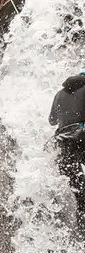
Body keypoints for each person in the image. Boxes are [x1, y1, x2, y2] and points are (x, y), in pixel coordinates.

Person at [49, 72, 85, 217]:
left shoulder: (59, 94)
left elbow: (52, 120)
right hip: (82, 137)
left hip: (63, 144)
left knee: (81, 195)